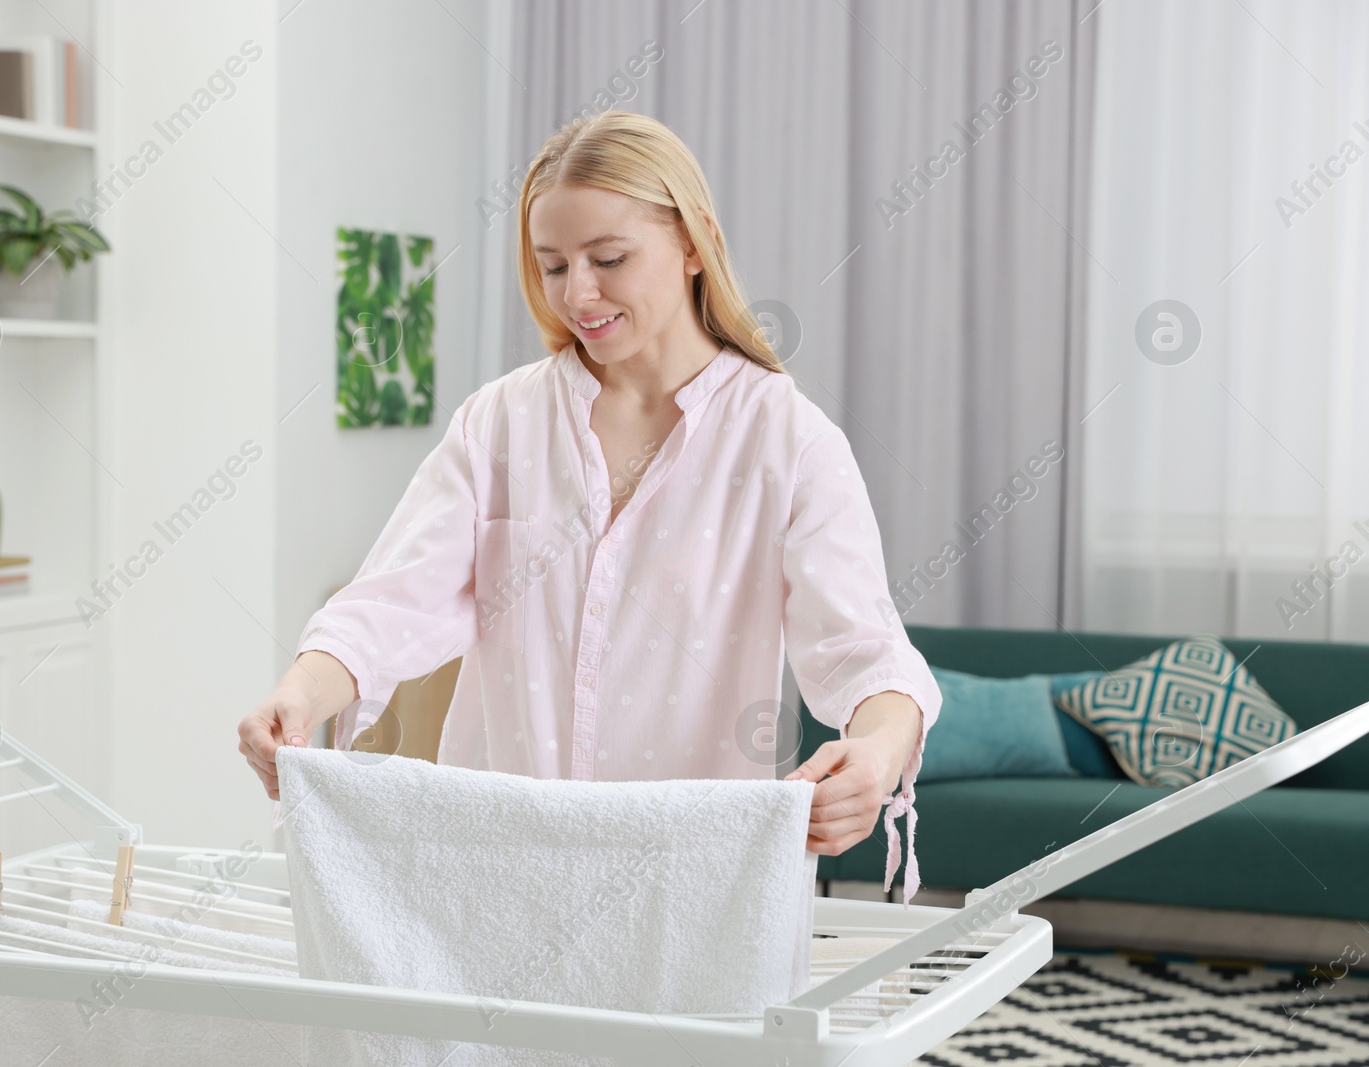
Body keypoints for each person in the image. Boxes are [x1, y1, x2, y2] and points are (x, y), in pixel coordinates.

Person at [237, 110, 942, 902]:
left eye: (608, 259)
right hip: (496, 874)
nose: (578, 293)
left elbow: (868, 653)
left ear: (691, 242)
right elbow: (388, 605)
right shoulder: (498, 424)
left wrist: (876, 756)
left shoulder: (787, 440)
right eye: (552, 265)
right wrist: (298, 693)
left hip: (686, 889)